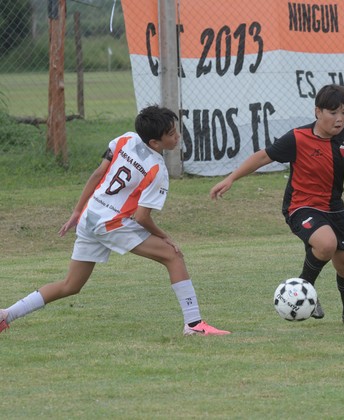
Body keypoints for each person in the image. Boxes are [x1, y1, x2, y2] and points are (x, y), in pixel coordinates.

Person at [0, 106, 230, 337]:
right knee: (173, 255)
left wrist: (78, 211)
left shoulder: (125, 139)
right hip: (112, 224)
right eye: (171, 134)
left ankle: (6, 315)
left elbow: (97, 174)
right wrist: (165, 236)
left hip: (90, 217)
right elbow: (141, 217)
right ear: (154, 142)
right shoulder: (157, 170)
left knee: (71, 285)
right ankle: (194, 324)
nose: (177, 136)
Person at [210, 84, 344, 326]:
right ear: (318, 112)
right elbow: (263, 156)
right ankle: (303, 291)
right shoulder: (298, 137)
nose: (340, 118)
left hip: (334, 207)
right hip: (301, 206)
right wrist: (231, 178)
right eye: (333, 112)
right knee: (326, 244)